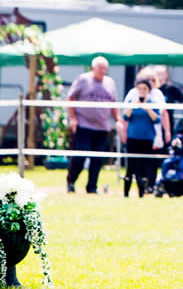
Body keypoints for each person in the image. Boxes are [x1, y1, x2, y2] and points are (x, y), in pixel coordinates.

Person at [66, 56, 119, 194]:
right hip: (84, 124)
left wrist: (117, 120)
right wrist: (72, 118)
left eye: (105, 69)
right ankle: (71, 181)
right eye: (100, 68)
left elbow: (114, 104)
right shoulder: (83, 79)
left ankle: (92, 187)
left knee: (98, 158)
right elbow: (70, 98)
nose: (103, 71)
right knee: (80, 155)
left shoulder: (110, 82)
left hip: (102, 127)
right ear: (93, 68)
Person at [121, 78, 160, 197]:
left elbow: (156, 119)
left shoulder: (153, 103)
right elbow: (126, 117)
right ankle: (126, 192)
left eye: (145, 89)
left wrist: (147, 108)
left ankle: (142, 191)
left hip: (147, 138)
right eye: (140, 89)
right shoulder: (132, 102)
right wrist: (133, 106)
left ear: (149, 90)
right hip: (133, 137)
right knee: (131, 165)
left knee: (143, 166)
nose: (142, 91)